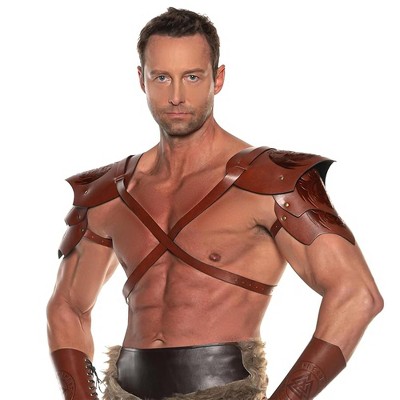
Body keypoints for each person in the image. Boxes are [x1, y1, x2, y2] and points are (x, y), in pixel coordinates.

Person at [47, 7, 383, 400]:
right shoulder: (109, 193)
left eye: (192, 77)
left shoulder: (272, 182)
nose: (176, 96)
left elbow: (357, 294)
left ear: (217, 79)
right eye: (161, 77)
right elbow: (66, 307)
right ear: (141, 80)